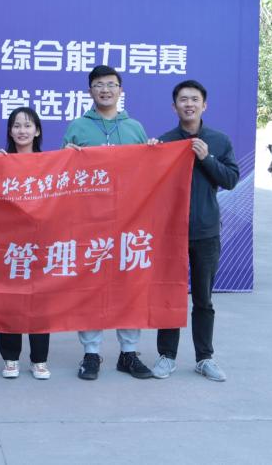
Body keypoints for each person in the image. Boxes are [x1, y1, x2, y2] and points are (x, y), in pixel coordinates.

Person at [62, 64, 153, 381]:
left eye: (111, 84)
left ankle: (129, 353)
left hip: (130, 221)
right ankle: (91, 353)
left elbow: (149, 173)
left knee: (130, 285)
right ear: (90, 90)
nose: (105, 90)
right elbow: (62, 176)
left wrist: (156, 153)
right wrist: (67, 156)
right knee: (91, 287)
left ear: (120, 90)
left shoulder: (135, 128)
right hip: (90, 222)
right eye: (99, 85)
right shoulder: (77, 127)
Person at [152, 79, 239, 382]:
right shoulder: (165, 142)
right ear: (174, 106)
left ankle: (204, 358)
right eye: (183, 99)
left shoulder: (218, 140)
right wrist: (152, 156)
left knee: (203, 299)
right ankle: (167, 355)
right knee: (169, 296)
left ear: (204, 105)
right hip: (170, 233)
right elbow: (151, 185)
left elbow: (230, 180)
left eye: (194, 99)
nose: (188, 104)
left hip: (206, 232)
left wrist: (207, 158)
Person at [0, 107, 51, 380]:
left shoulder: (51, 163)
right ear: (10, 131)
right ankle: (10, 357)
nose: (22, 131)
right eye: (16, 126)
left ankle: (39, 359)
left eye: (28, 125)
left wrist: (74, 158)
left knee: (41, 301)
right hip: (9, 244)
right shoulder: (0, 161)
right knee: (9, 301)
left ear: (37, 130)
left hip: (42, 242)